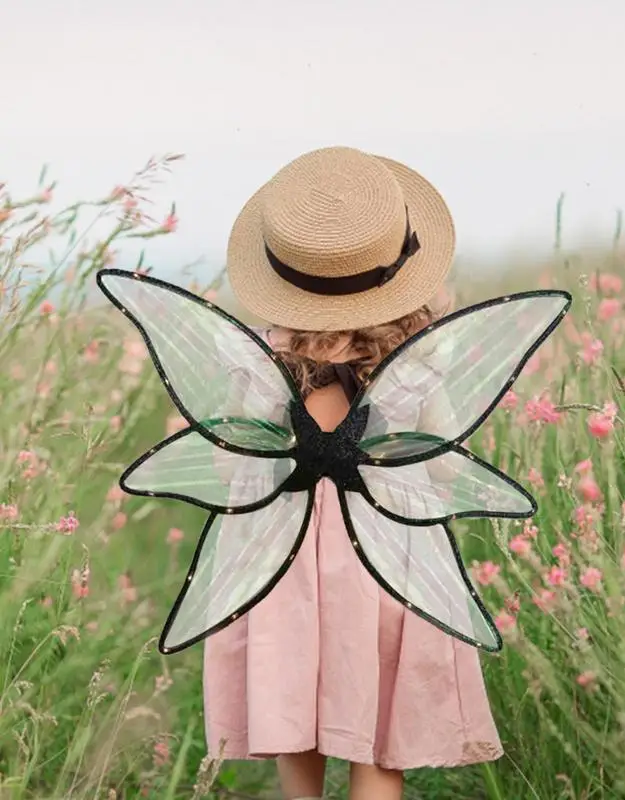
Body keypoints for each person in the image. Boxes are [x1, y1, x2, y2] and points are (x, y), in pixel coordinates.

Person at [202, 146, 504, 800]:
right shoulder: (415, 366)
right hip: (385, 553)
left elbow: (229, 462)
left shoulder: (262, 364)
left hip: (281, 558)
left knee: (296, 707)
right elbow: (444, 468)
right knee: (378, 724)